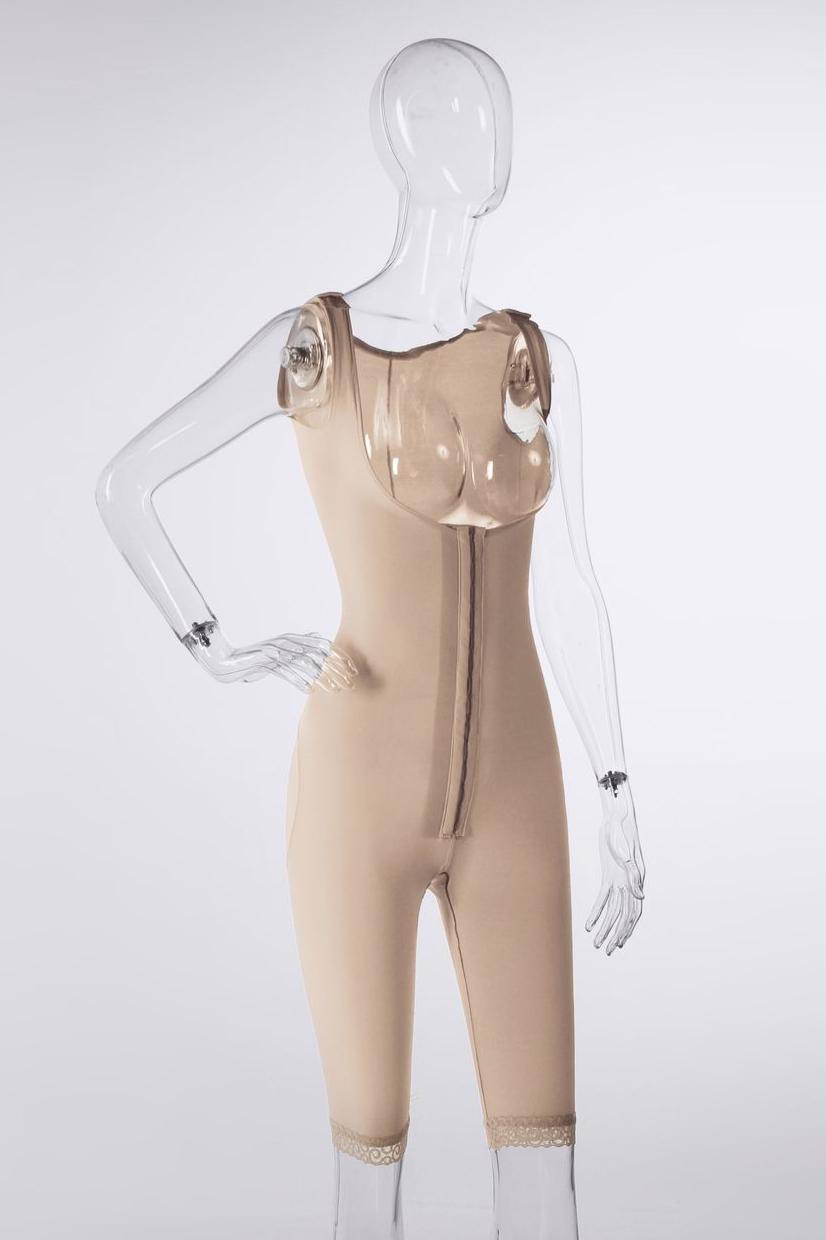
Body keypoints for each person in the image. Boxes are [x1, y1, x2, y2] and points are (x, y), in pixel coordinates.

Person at [96, 37, 645, 1240]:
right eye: (458, 115)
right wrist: (215, 643)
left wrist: (616, 785)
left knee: (542, 1170)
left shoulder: (538, 360)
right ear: (402, 142)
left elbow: (571, 580)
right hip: (355, 790)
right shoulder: (314, 348)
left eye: (493, 110)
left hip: (519, 794)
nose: (490, 136)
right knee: (368, 1170)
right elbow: (127, 482)